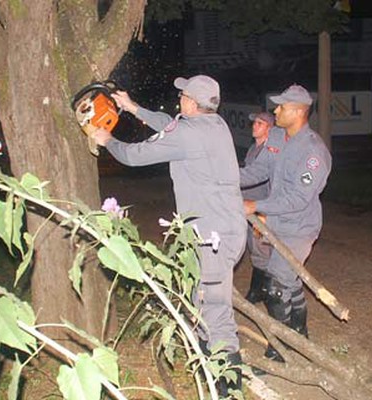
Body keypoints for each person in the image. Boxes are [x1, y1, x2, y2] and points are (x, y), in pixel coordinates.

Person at [92, 75, 246, 395]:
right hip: (222, 229)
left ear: (191, 102)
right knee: (202, 302)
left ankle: (228, 387)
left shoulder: (190, 136)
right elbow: (170, 125)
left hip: (213, 237)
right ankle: (211, 365)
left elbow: (135, 155)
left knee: (214, 311)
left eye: (183, 95)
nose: (180, 99)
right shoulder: (213, 125)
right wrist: (133, 107)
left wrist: (107, 140)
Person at [240, 84, 332, 360]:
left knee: (277, 285)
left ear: (298, 111)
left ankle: (279, 350)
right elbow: (258, 170)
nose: (275, 110)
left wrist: (256, 206)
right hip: (277, 222)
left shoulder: (314, 152)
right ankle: (299, 335)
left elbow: (297, 199)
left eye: (281, 107)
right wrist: (225, 178)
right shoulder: (278, 137)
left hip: (300, 227)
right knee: (289, 283)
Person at [242, 111, 275, 304]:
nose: (255, 125)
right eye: (254, 122)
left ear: (269, 129)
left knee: (262, 249)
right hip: (248, 207)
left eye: (260, 123)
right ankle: (259, 290)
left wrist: (265, 212)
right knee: (254, 248)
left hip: (260, 208)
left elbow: (272, 185)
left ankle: (261, 291)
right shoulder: (253, 149)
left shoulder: (270, 152)